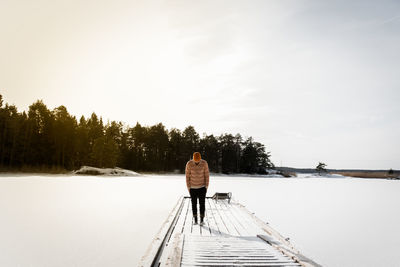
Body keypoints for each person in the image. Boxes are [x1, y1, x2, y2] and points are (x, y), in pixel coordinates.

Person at [185, 152, 209, 225]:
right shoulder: (189, 164)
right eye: (195, 160)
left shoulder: (204, 163)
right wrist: (188, 187)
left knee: (202, 204)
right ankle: (195, 219)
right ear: (193, 159)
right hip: (192, 187)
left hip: (202, 187)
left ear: (200, 159)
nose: (197, 161)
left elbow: (207, 175)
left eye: (198, 160)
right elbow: (187, 177)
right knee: (194, 204)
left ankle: (202, 220)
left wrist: (206, 186)